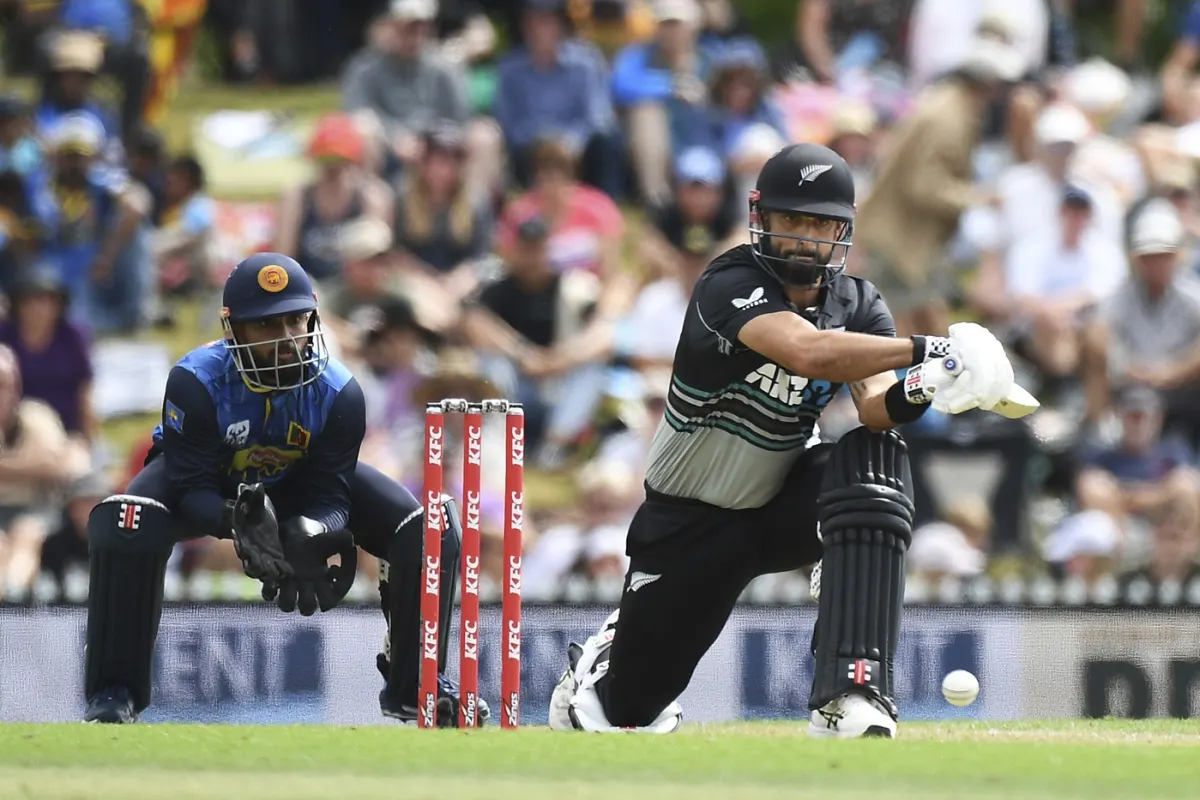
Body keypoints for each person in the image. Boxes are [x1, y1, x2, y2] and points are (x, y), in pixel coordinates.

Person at [546, 143, 1018, 738]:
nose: (803, 238)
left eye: (819, 224)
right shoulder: (728, 282)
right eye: (791, 220)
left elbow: (876, 409)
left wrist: (929, 383)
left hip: (779, 503)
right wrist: (932, 348)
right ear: (761, 218)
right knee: (629, 711)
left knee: (875, 459)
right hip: (688, 520)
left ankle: (853, 691)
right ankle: (607, 658)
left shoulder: (857, 305)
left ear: (841, 231)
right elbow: (806, 351)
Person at [81, 253, 486, 728]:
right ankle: (115, 691)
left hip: (301, 481)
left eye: (296, 320)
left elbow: (333, 496)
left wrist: (309, 532)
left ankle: (415, 686)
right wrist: (240, 521)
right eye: (267, 325)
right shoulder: (195, 381)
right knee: (128, 519)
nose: (288, 338)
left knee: (430, 529)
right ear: (233, 330)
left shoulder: (340, 392)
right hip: (213, 485)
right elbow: (191, 491)